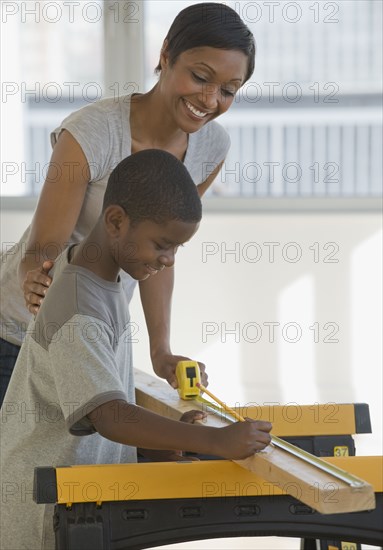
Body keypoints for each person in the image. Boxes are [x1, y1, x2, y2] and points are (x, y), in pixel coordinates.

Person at [0, 150, 272, 550]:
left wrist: (154, 444)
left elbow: (88, 397)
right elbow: (109, 415)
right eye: (163, 245)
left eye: (177, 248)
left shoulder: (99, 277)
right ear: (115, 221)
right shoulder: (79, 307)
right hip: (45, 515)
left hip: (75, 497)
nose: (168, 260)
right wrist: (216, 442)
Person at [0, 2, 256, 404]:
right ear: (166, 55)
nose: (210, 100)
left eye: (228, 90)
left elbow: (161, 249)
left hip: (97, 334)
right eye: (200, 77)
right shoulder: (93, 132)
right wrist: (35, 278)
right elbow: (43, 247)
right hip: (17, 335)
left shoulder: (211, 146)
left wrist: (160, 351)